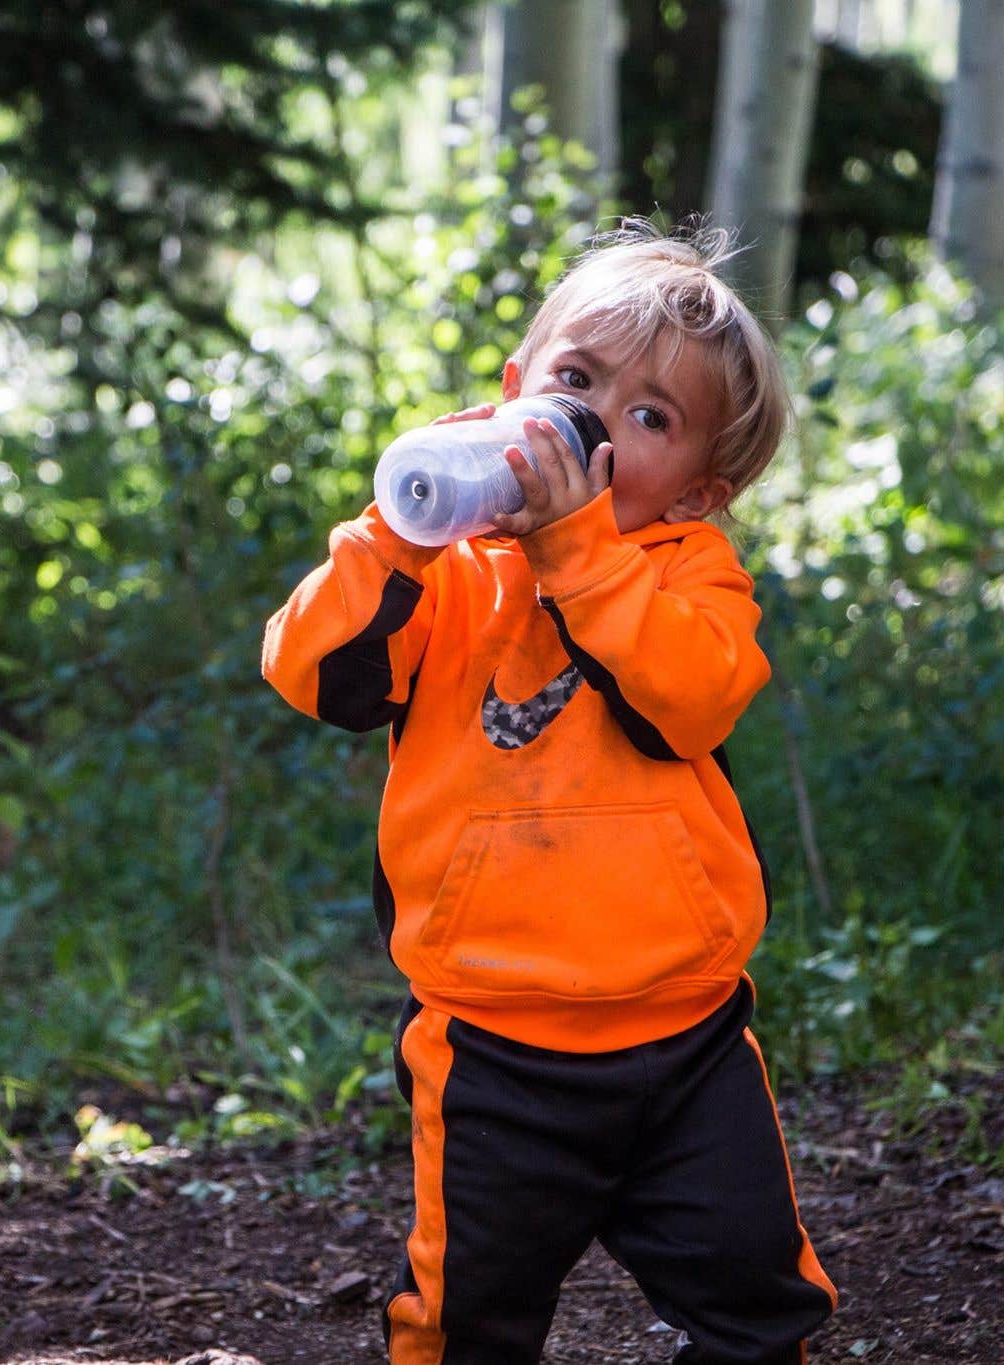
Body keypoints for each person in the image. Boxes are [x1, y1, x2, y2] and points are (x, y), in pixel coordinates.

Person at [260, 221, 838, 1363]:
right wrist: (395, 532)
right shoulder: (446, 570)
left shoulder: (690, 575)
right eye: (575, 383)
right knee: (462, 1321)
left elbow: (688, 698)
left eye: (648, 418)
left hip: (684, 1044)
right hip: (492, 1049)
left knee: (755, 1310)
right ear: (514, 391)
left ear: (699, 489)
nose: (593, 428)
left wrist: (579, 553)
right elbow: (315, 673)